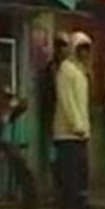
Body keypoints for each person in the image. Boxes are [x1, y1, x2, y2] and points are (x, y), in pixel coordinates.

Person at [54, 32, 93, 209]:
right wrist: (76, 124)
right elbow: (67, 101)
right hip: (67, 131)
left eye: (87, 49)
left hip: (81, 132)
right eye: (81, 49)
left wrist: (84, 127)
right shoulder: (66, 69)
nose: (85, 53)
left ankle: (79, 207)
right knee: (69, 172)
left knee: (80, 172)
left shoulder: (80, 71)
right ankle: (67, 208)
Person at [39, 32, 70, 192]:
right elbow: (46, 94)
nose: (61, 49)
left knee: (65, 157)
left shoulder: (72, 70)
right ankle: (54, 189)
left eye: (64, 46)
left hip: (68, 120)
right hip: (52, 116)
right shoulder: (50, 69)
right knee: (52, 155)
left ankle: (62, 189)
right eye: (59, 46)